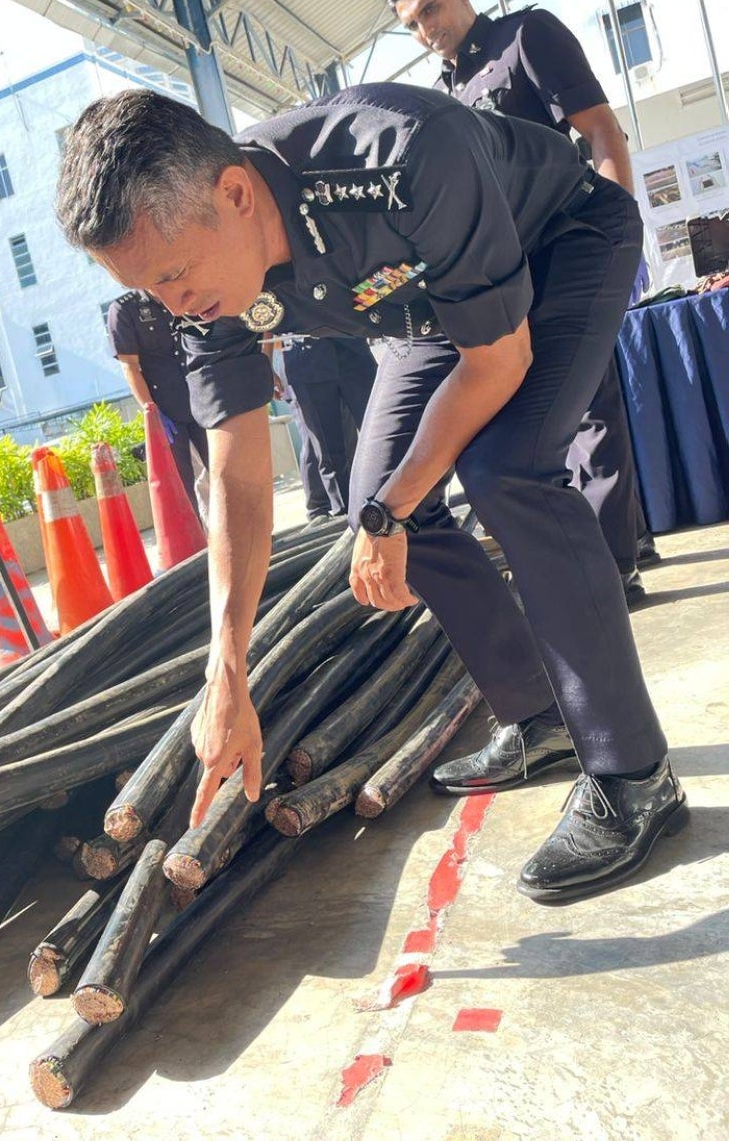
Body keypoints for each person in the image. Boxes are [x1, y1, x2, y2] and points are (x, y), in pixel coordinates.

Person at [57, 86, 686, 904]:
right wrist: (228, 668)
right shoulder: (198, 276)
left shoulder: (401, 156)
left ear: (236, 194)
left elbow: (496, 361)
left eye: (173, 277)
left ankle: (634, 773)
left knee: (507, 471)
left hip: (560, 244)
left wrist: (392, 509)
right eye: (149, 291)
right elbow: (240, 469)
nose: (172, 306)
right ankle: (542, 719)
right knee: (377, 503)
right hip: (432, 314)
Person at [388, 0, 660, 605]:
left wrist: (620, 235)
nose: (426, 28)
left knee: (591, 409)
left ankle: (616, 567)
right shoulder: (442, 96)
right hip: (505, 278)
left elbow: (599, 128)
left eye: (431, 8)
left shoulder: (527, 36)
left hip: (572, 248)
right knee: (530, 423)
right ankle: (598, 549)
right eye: (412, 24)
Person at [106, 289, 208, 518]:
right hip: (167, 408)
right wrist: (151, 411)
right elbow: (130, 366)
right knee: (182, 486)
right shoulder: (125, 309)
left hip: (202, 398)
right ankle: (199, 545)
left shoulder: (184, 292)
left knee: (222, 473)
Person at [271, 335, 377, 521]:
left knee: (382, 436)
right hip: (305, 358)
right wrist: (265, 362)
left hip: (351, 347)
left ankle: (401, 505)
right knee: (329, 453)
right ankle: (343, 519)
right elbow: (263, 317)